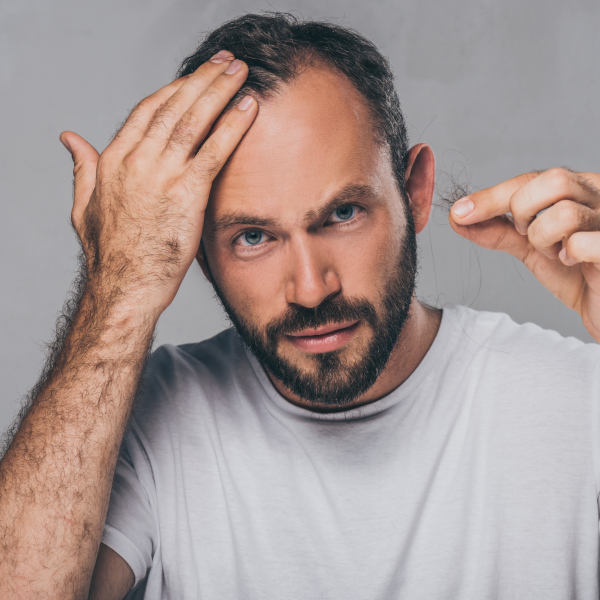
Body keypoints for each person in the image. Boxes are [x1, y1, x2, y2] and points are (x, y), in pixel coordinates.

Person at [1, 12, 600, 600]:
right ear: (198, 252)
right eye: (253, 237)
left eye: (343, 214)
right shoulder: (140, 419)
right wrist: (117, 290)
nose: (311, 289)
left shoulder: (578, 400)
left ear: (415, 193)